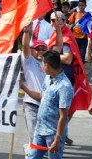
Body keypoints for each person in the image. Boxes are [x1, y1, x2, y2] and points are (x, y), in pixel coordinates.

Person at [21, 19, 63, 154]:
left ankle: (34, 152)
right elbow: (25, 46)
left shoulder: (49, 63)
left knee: (45, 137)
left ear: (47, 50)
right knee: (34, 136)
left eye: (42, 48)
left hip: (47, 105)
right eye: (37, 49)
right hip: (31, 104)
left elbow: (59, 45)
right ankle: (31, 153)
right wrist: (27, 32)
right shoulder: (29, 61)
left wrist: (59, 29)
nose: (39, 51)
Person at [21, 50, 73, 159]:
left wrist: (57, 139)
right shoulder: (48, 78)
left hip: (53, 134)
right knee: (32, 156)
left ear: (47, 65)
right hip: (40, 130)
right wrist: (23, 87)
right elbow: (41, 97)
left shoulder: (65, 86)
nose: (42, 67)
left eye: (43, 64)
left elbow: (63, 116)